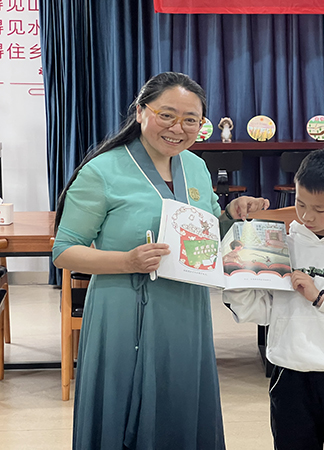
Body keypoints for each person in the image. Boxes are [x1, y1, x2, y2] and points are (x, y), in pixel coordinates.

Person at [52, 71, 269, 450]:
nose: (177, 128)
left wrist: (230, 215)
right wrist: (128, 261)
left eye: (190, 120)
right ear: (140, 111)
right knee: (124, 406)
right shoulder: (102, 170)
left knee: (181, 400)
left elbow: (204, 235)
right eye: (166, 115)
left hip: (185, 307)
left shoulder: (195, 166)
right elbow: (64, 250)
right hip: (123, 308)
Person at [223, 147, 324, 450]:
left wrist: (320, 297)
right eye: (300, 204)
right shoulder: (285, 244)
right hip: (290, 376)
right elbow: (262, 312)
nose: (307, 216)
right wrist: (237, 278)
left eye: (319, 209)